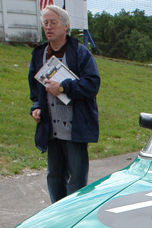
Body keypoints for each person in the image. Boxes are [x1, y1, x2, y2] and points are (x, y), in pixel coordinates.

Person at [28, 5, 100, 203]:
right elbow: (34, 90)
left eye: (53, 22)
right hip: (51, 129)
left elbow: (92, 84)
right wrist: (36, 107)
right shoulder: (39, 54)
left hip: (74, 128)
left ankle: (74, 216)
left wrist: (63, 88)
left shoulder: (80, 54)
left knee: (76, 178)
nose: (48, 27)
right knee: (54, 176)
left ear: (66, 26)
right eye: (45, 23)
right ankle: (57, 216)